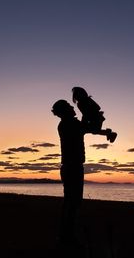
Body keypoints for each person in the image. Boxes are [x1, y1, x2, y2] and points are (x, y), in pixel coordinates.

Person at [51, 99, 86, 247]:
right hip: (73, 168)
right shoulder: (69, 124)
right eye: (70, 106)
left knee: (70, 202)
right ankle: (67, 237)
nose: (73, 108)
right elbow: (88, 127)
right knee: (73, 203)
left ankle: (66, 235)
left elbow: (86, 127)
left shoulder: (67, 124)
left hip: (70, 167)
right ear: (65, 111)